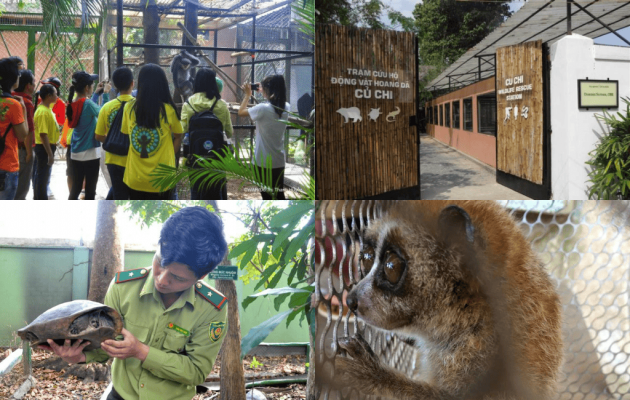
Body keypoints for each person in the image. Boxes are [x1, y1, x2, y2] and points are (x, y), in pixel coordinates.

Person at [40, 207, 229, 400]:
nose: (162, 280)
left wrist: (141, 351)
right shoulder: (123, 288)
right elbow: (106, 345)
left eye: (177, 277)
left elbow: (196, 372)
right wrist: (79, 356)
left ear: (201, 276)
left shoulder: (211, 309)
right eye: (160, 263)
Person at [121, 63, 183, 200]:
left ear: (140, 83)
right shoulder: (168, 110)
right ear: (162, 84)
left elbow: (126, 134)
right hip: (163, 179)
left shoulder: (129, 108)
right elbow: (179, 136)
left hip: (135, 178)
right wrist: (170, 154)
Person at [180, 67, 233, 200]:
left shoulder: (189, 104)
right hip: (217, 158)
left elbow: (182, 129)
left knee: (196, 191)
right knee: (218, 190)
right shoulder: (221, 105)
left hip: (194, 157)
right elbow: (229, 132)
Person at [238, 75, 290, 200]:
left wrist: (247, 95)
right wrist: (263, 89)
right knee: (278, 195)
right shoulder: (286, 106)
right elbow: (272, 100)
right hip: (278, 161)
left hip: (262, 162)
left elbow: (241, 112)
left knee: (267, 196)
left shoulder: (262, 109)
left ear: (269, 90)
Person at [66, 71, 110, 200]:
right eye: (92, 85)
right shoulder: (87, 104)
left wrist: (96, 94)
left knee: (76, 188)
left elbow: (88, 109)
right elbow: (103, 114)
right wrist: (106, 94)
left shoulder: (73, 102)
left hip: (76, 152)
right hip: (90, 153)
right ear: (86, 88)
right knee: (90, 190)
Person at [95, 67, 134, 200]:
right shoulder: (138, 106)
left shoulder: (107, 107)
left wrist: (114, 141)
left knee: (119, 195)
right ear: (132, 83)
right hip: (134, 158)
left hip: (113, 159)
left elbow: (98, 136)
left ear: (115, 86)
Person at [0, 58, 29, 200]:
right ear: (11, 79)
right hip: (6, 166)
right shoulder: (13, 105)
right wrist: (23, 109)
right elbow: (22, 136)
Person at [32, 84, 60, 200]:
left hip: (46, 147)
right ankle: (40, 199)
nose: (57, 96)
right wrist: (49, 154)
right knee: (42, 177)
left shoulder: (47, 109)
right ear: (49, 96)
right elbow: (43, 134)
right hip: (44, 148)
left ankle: (39, 198)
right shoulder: (43, 111)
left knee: (42, 176)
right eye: (55, 93)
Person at [12, 69, 35, 200]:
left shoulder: (11, 97)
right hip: (23, 149)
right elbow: (29, 130)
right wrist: (29, 153)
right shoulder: (26, 102)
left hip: (11, 147)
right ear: (28, 86)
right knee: (22, 186)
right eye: (33, 82)